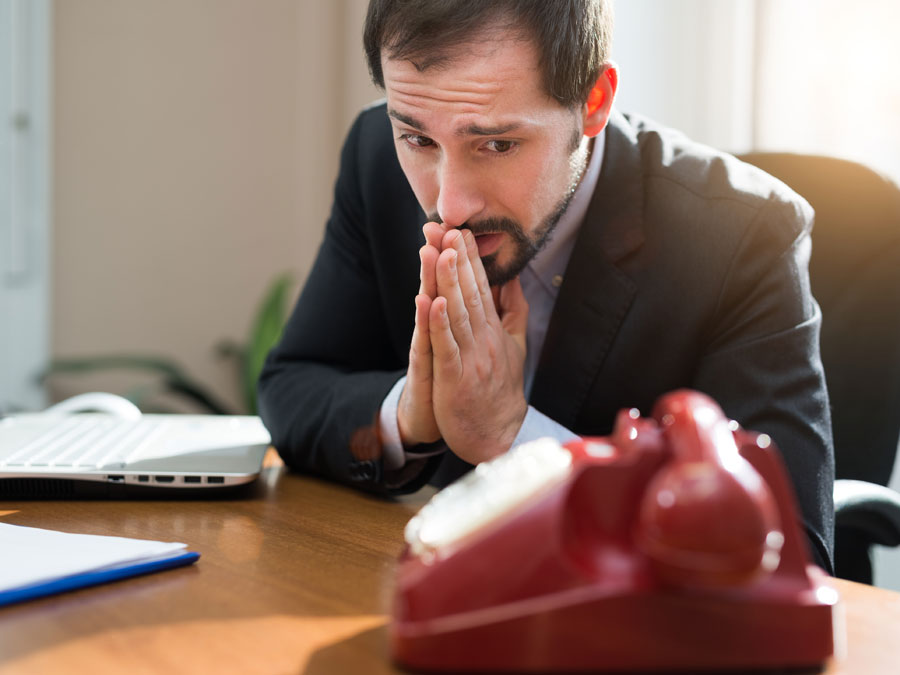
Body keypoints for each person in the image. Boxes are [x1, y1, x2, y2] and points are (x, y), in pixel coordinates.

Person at [258, 0, 834, 571]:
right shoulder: (373, 155)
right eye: (418, 140)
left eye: (497, 145)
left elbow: (789, 550)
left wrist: (512, 436)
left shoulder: (746, 235)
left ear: (594, 103)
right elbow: (294, 386)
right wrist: (412, 414)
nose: (448, 205)